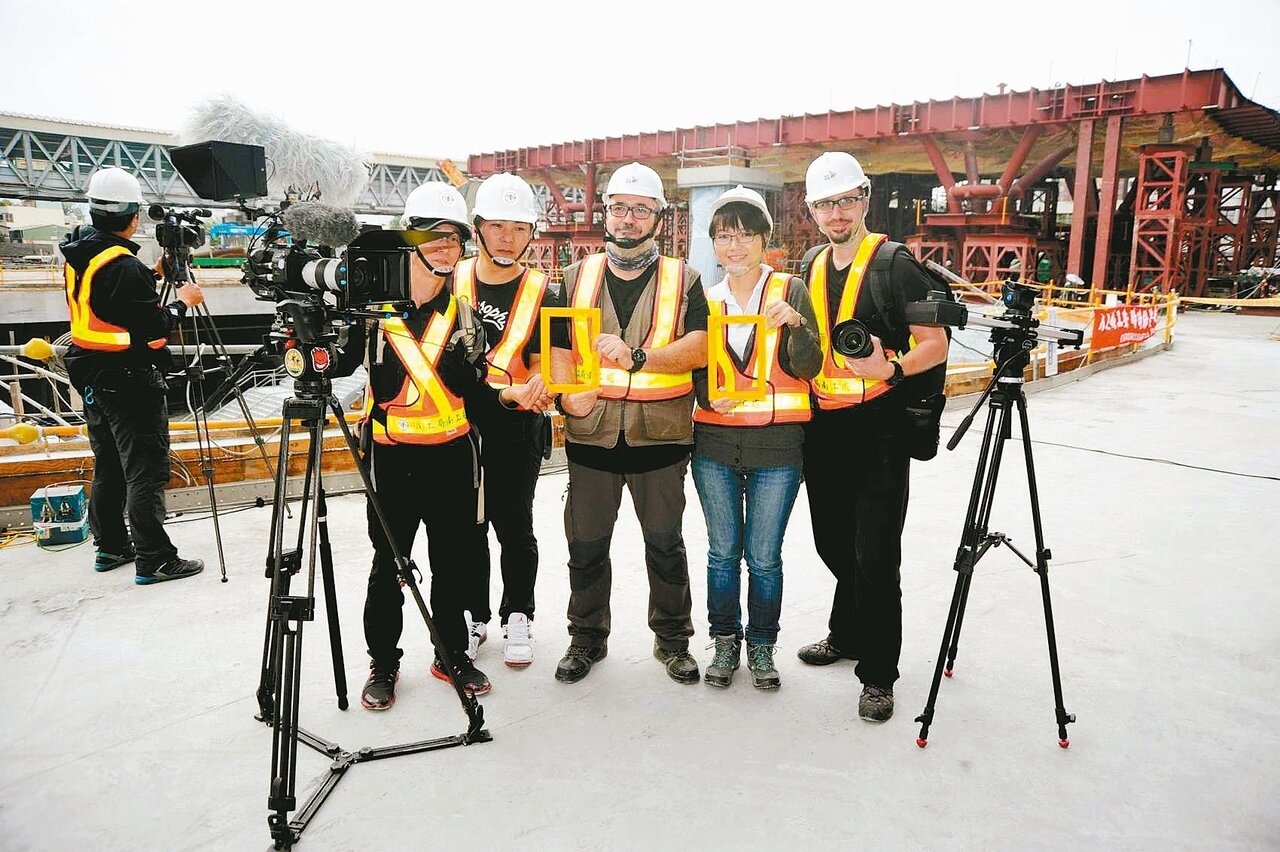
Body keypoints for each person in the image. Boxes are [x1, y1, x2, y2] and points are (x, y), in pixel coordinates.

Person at [346, 182, 546, 711]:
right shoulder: (369, 312)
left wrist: (513, 398)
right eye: (430, 236)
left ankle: (451, 653)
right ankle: (383, 663)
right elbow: (340, 365)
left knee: (453, 563)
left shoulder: (465, 316)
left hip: (454, 459)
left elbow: (480, 389)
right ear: (408, 240)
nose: (442, 247)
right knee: (389, 564)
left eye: (453, 239)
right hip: (391, 460)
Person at [797, 152, 949, 722]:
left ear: (864, 200)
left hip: (878, 425)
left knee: (877, 555)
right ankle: (848, 631)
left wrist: (892, 370)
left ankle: (878, 673)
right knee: (833, 544)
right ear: (812, 210)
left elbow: (933, 343)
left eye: (846, 200)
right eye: (826, 203)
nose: (837, 212)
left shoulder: (894, 264)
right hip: (822, 424)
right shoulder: (810, 262)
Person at [553, 162, 709, 685]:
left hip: (659, 437)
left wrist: (638, 358)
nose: (628, 219)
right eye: (620, 208)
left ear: (658, 219)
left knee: (665, 544)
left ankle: (672, 640)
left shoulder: (682, 278)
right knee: (586, 545)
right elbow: (558, 349)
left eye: (641, 210)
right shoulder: (577, 277)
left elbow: (701, 345)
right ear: (607, 213)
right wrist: (566, 401)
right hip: (592, 435)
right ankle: (586, 638)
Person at [692, 186, 821, 690]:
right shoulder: (706, 300)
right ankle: (725, 641)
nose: (735, 246)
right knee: (722, 553)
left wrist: (797, 325)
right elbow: (698, 371)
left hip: (777, 449)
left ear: (765, 238)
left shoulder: (789, 291)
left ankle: (762, 648)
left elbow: (809, 364)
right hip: (715, 448)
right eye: (724, 236)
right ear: (714, 244)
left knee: (764, 557)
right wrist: (706, 399)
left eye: (746, 235)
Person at [61, 167, 205, 585]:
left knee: (109, 462)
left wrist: (155, 274)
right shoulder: (123, 265)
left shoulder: (84, 249)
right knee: (145, 469)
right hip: (127, 377)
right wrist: (182, 302)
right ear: (133, 216)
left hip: (92, 371)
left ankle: (110, 546)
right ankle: (155, 558)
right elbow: (153, 328)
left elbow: (112, 300)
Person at [454, 173, 563, 668]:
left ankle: (517, 614)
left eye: (519, 229)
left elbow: (545, 356)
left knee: (513, 525)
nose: (507, 238)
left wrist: (539, 385)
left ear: (531, 233)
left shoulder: (544, 289)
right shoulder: (452, 279)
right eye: (497, 226)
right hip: (456, 423)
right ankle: (474, 616)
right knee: (464, 527)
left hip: (516, 425)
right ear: (477, 228)